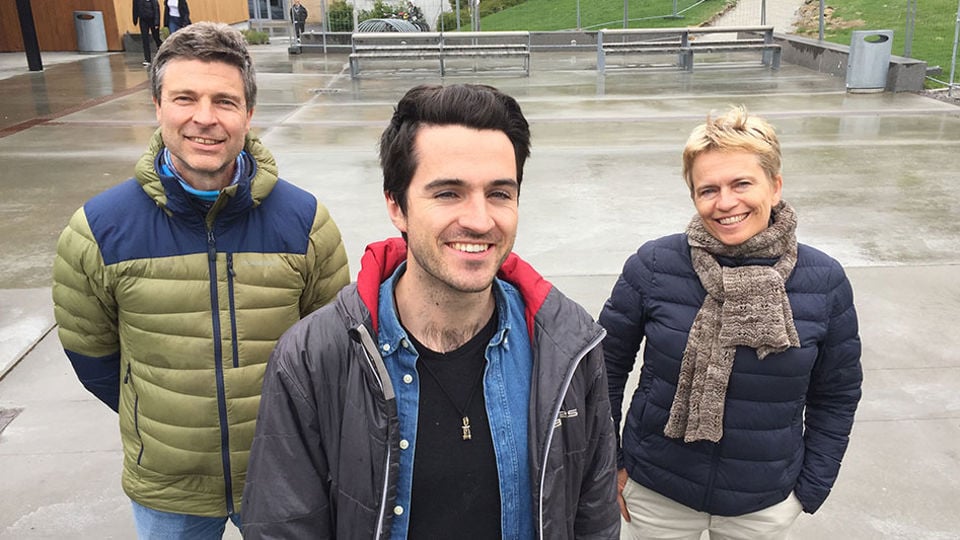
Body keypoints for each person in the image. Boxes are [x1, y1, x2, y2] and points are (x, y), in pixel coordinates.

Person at [241, 83, 620, 539]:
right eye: (448, 193)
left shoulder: (568, 348)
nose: (479, 220)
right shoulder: (313, 358)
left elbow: (594, 520)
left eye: (500, 193)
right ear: (396, 205)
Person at [51, 22, 350, 539]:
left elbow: (332, 350)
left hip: (284, 475)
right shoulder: (98, 230)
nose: (205, 118)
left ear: (249, 114)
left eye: (225, 101)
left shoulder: (306, 223)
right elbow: (92, 355)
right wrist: (161, 423)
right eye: (185, 98)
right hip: (169, 488)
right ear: (157, 105)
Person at [600, 105, 862, 540]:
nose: (725, 203)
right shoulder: (654, 265)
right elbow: (602, 369)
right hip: (655, 495)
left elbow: (836, 394)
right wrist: (611, 463)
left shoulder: (824, 281)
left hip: (764, 506)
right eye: (708, 189)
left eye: (742, 183)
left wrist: (809, 488)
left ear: (774, 187)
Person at [133, 0, 162, 66]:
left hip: (152, 19)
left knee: (156, 37)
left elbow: (156, 9)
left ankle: (161, 50)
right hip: (143, 20)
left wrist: (157, 22)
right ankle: (147, 59)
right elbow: (135, 8)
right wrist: (135, 19)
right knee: (145, 39)